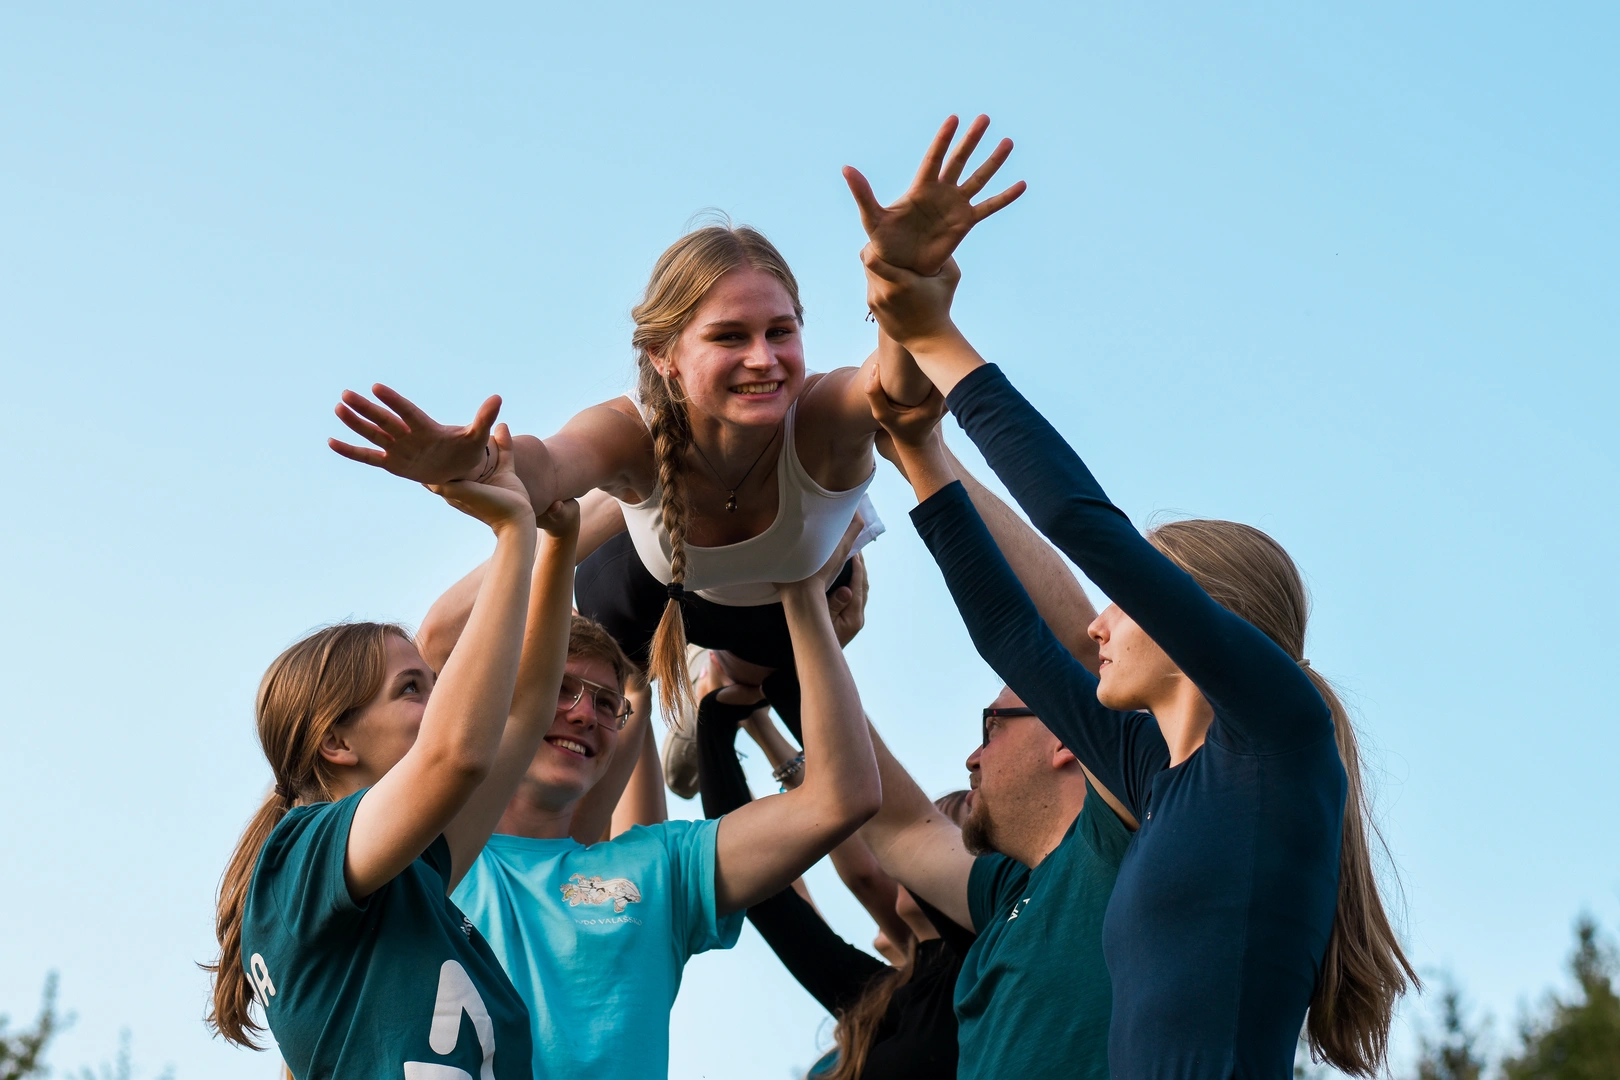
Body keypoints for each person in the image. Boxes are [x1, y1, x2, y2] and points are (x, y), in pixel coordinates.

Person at [857, 214, 1417, 1075]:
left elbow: (1081, 522)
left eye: (1123, 601)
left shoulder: (1277, 739)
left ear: (1193, 614)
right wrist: (921, 460)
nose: (1097, 623)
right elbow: (1013, 636)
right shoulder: (1158, 780)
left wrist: (934, 336)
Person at [326, 115, 1025, 733]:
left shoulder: (821, 415)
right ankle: (665, 654)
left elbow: (894, 387)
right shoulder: (625, 430)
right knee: (492, 638)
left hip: (792, 600)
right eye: (729, 337)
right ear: (663, 355)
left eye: (781, 331)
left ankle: (717, 689)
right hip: (657, 572)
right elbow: (547, 463)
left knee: (765, 681)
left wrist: (908, 292)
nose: (764, 359)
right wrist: (480, 468)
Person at [205, 425, 580, 1079]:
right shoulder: (299, 857)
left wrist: (558, 543)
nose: (441, 706)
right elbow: (457, 752)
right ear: (336, 741)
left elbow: (521, 719)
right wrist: (513, 533)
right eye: (413, 689)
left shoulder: (413, 876)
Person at [442, 523, 882, 1079]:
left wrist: (803, 597)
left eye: (607, 704)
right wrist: (577, 505)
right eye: (560, 688)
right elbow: (439, 640)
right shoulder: (423, 852)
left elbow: (843, 797)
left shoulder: (656, 865)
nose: (585, 714)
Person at [695, 678, 974, 1080]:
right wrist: (716, 717)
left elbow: (876, 848)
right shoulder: (883, 995)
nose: (915, 856)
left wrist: (787, 679)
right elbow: (763, 900)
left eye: (942, 834)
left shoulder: (982, 965)